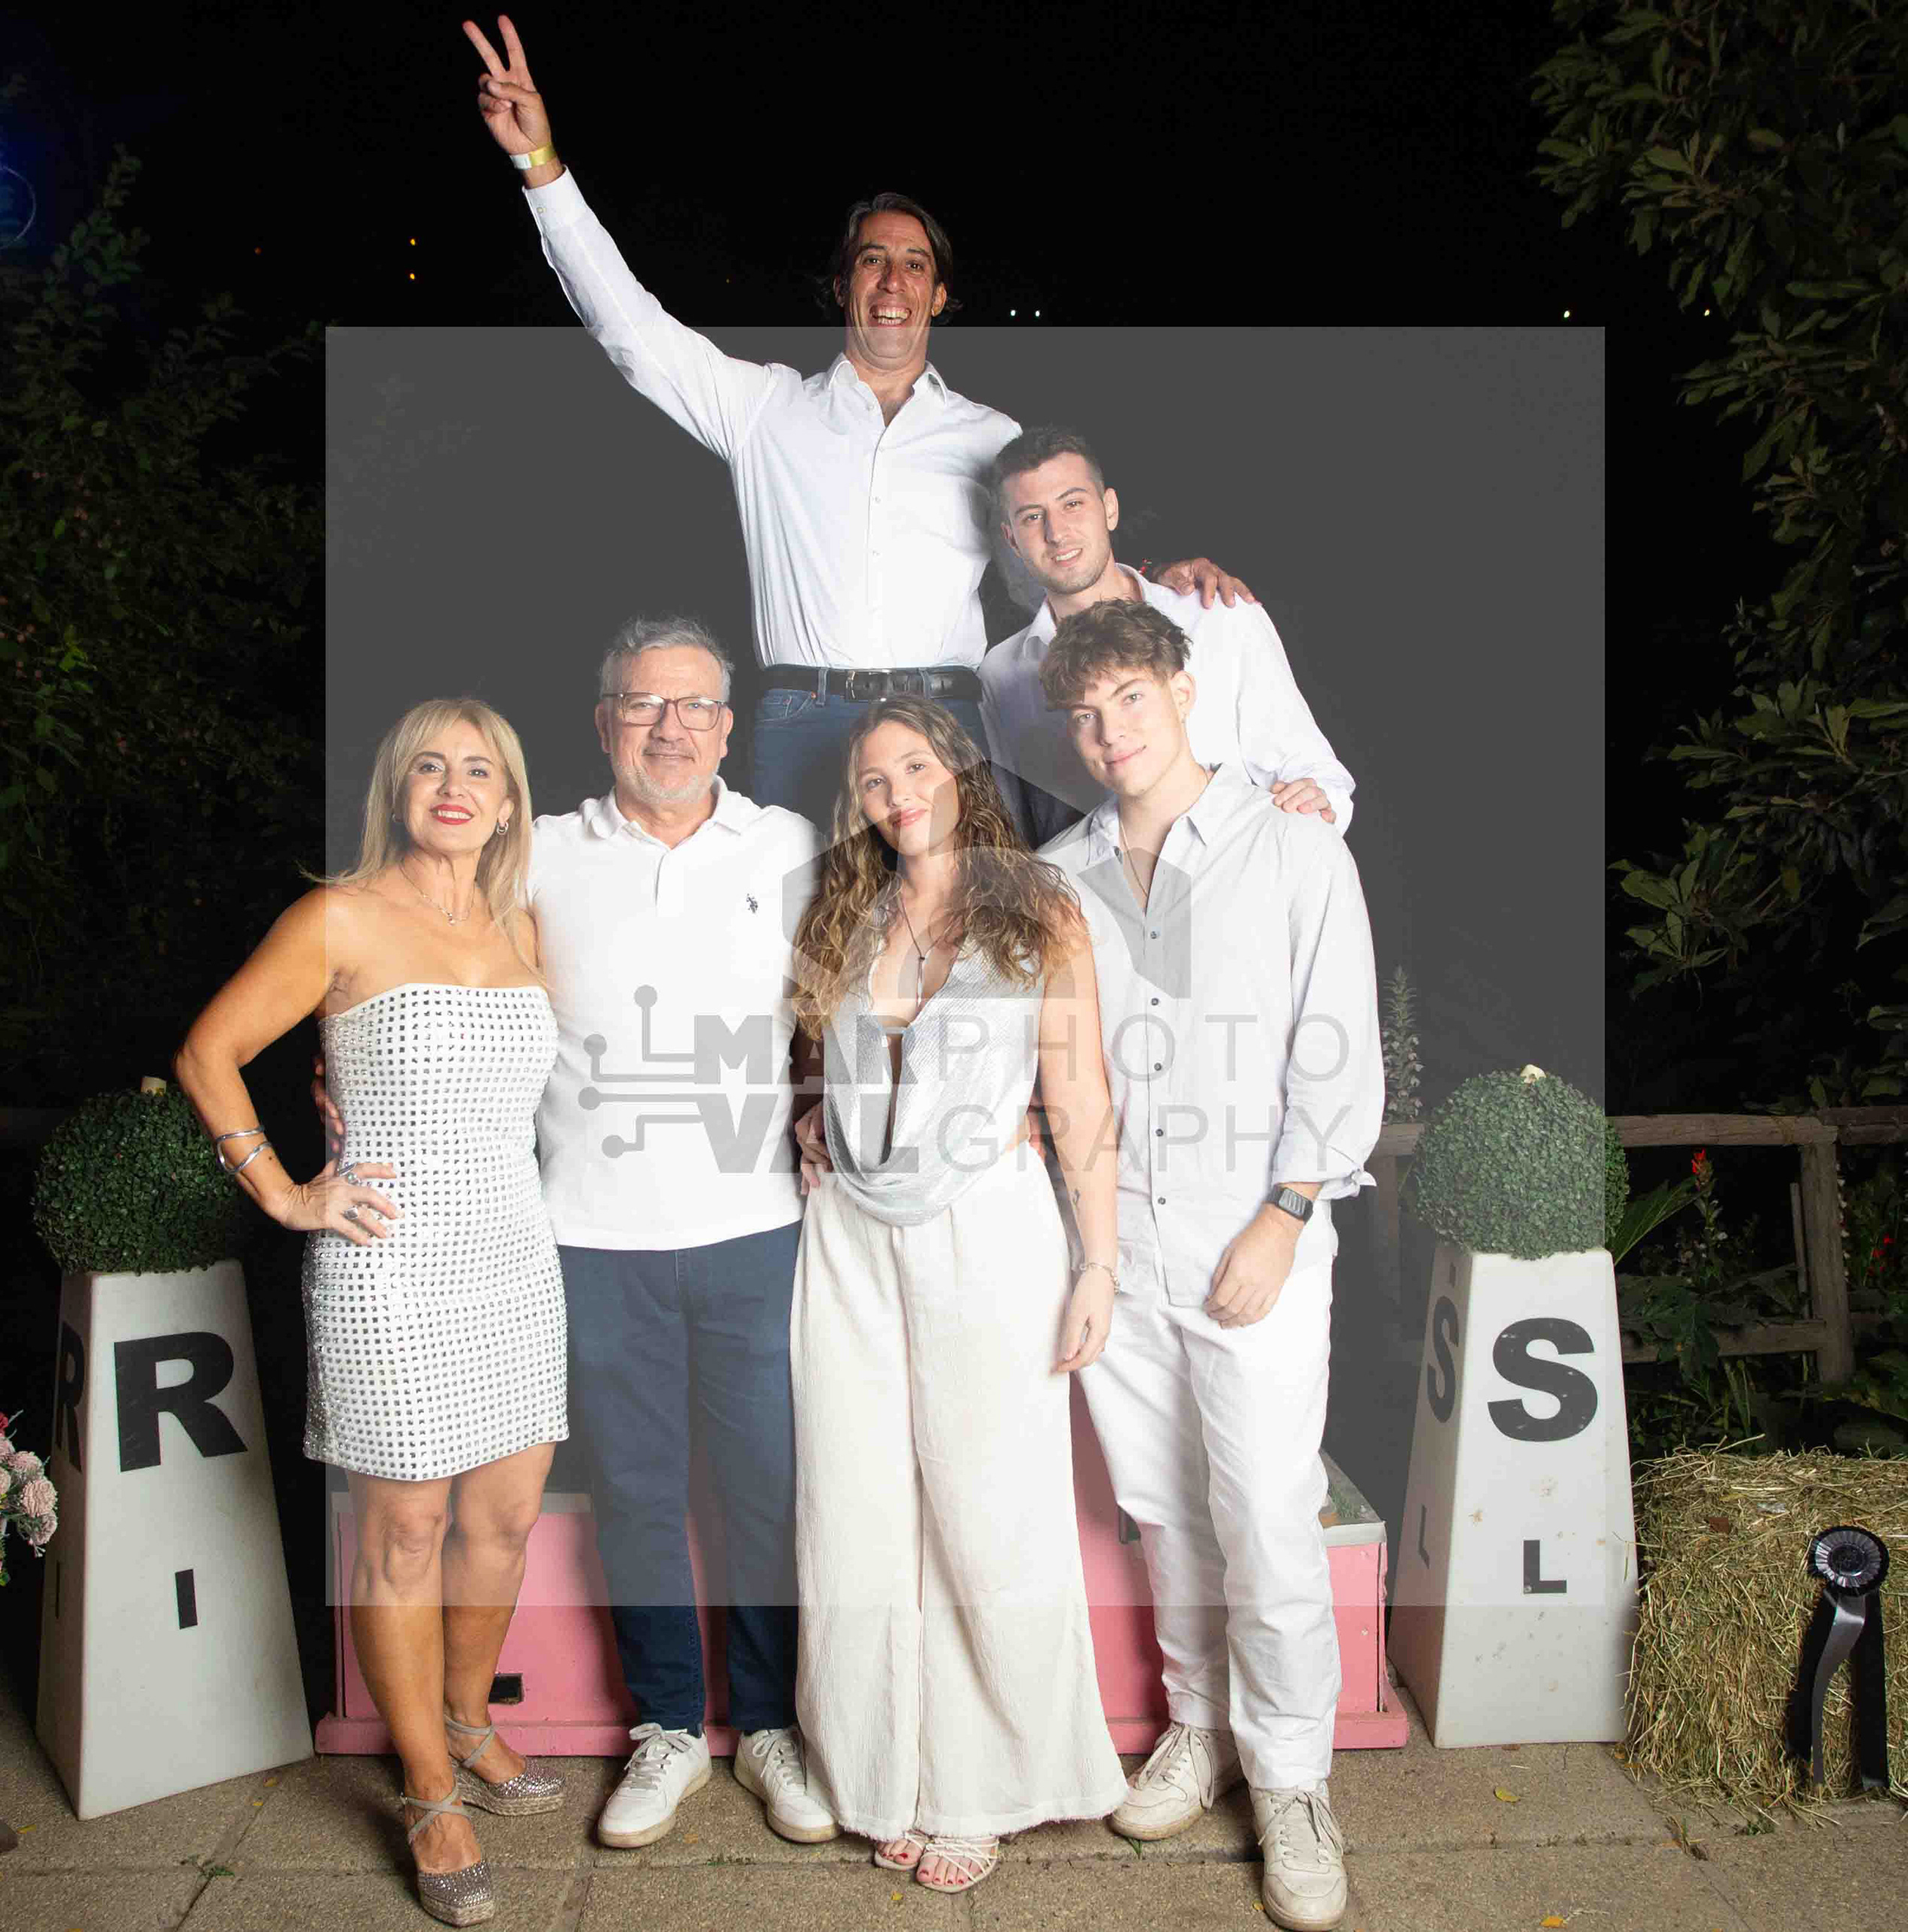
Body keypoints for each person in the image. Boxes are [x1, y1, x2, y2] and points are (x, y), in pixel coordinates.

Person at [318, 621, 836, 1852]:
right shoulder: (537, 852)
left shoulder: (792, 845)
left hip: (760, 1227)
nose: (671, 727)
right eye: (643, 704)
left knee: (766, 1492)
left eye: (695, 705)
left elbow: (884, 958)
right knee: (639, 1497)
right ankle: (667, 1727)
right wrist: (335, 1062)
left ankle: (768, 1725)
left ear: (730, 725)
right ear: (604, 723)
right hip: (587, 1239)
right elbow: (405, 950)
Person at [458, 14, 1249, 817]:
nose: (893, 281)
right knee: (805, 907)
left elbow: (1055, 562)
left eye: (915, 265)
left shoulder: (991, 437)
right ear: (844, 287)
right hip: (802, 722)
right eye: (873, 261)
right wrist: (540, 165)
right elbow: (632, 332)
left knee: (966, 904)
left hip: (948, 720)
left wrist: (1162, 583)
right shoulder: (763, 408)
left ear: (938, 296)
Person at [178, 698, 566, 1928]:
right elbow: (207, 1052)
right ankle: (429, 1792)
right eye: (430, 766)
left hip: (515, 1254)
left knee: (503, 1521)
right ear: (397, 788)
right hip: (389, 1263)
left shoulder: (523, 922)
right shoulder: (337, 917)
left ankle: (469, 1721)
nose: (454, 787)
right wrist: (284, 1190)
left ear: (507, 802)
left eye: (479, 770)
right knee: (406, 1532)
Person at [1033, 601, 1384, 1932]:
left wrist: (1285, 1214)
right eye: (1085, 713)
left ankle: (1293, 1783)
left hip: (1254, 1231)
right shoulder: (1062, 874)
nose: (1109, 731)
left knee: (1266, 1513)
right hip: (1120, 1238)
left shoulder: (1291, 844)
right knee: (1166, 1508)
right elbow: (1064, 1068)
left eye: (1130, 697)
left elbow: (1337, 1044)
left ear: (1183, 691)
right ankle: (1199, 1729)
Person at [785, 696, 1128, 1894]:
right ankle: (881, 1770)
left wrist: (1098, 1263)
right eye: (875, 781)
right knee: (857, 1505)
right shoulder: (846, 909)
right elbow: (829, 1056)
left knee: (989, 1507)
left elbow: (1079, 1092)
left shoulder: (1039, 907)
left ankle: (982, 1787)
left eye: (917, 768)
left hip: (988, 1225)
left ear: (962, 774)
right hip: (847, 1238)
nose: (898, 796)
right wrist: (816, 1120)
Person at [980, 425, 1359, 847]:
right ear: (1011, 539)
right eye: (1032, 517)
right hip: (1089, 886)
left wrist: (1314, 811)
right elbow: (1015, 831)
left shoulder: (1218, 615)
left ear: (1110, 509)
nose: (1056, 532)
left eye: (1073, 504)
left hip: (1239, 869)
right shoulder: (999, 675)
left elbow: (1315, 776)